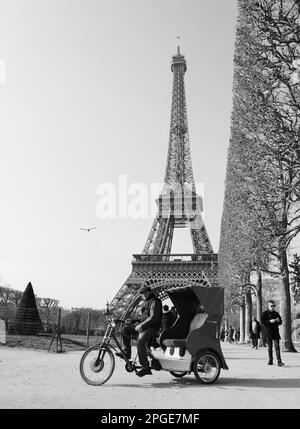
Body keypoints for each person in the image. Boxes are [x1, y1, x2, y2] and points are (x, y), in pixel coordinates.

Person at [116, 286, 162, 377]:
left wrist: (141, 325)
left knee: (140, 342)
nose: (142, 296)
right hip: (144, 326)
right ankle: (127, 352)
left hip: (151, 328)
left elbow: (153, 317)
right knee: (125, 329)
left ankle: (145, 367)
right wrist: (133, 321)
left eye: (144, 293)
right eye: (141, 294)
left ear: (149, 292)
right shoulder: (147, 302)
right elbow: (143, 318)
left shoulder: (155, 302)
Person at [261, 300, 284, 366]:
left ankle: (279, 361)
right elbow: (263, 322)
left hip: (275, 332)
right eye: (271, 306)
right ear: (268, 306)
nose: (273, 307)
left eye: (274, 306)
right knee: (270, 347)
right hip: (268, 332)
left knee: (277, 347)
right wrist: (270, 321)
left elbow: (280, 322)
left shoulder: (276, 314)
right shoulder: (264, 313)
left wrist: (278, 321)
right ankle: (270, 360)